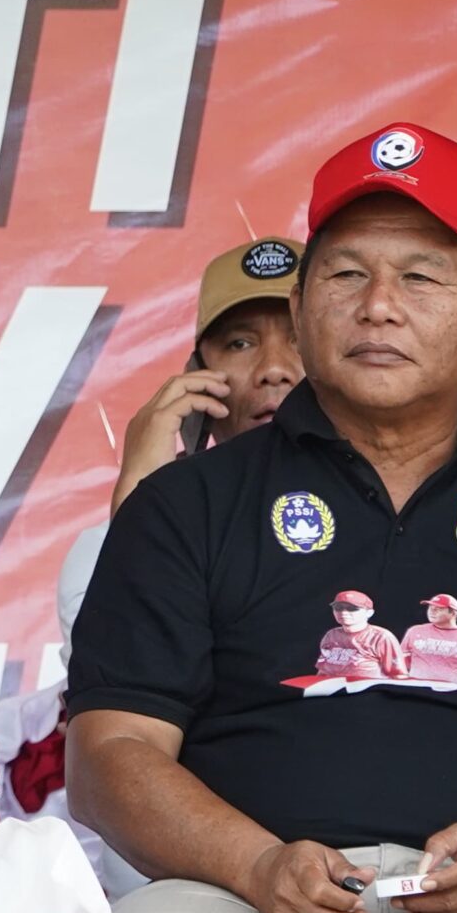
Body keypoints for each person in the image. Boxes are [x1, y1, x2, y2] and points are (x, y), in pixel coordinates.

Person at [68, 121, 457, 913]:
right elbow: (110, 752)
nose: (379, 305)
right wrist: (257, 864)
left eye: (421, 276)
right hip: (240, 898)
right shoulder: (186, 505)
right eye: (348, 273)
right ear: (300, 307)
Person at [56, 235, 303, 648]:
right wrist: (144, 501)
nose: (274, 369)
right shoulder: (107, 545)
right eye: (240, 343)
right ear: (196, 376)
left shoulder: (401, 514)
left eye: (300, 338)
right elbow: (130, 673)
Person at [401, 594, 457, 687]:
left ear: (453, 613)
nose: (432, 611)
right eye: (430, 607)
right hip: (419, 690)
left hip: (456, 692)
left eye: (439, 609)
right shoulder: (414, 632)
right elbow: (402, 665)